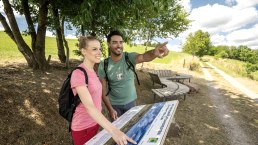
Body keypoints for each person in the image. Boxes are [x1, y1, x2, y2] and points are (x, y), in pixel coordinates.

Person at [70, 36, 136, 145]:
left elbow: (97, 97)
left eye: (100, 49)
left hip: (94, 123)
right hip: (83, 128)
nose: (99, 52)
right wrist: (114, 131)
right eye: (94, 49)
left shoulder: (92, 71)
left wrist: (110, 109)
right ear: (84, 51)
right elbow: (89, 107)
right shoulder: (78, 74)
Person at [98, 30, 169, 121]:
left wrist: (154, 53)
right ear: (108, 44)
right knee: (116, 131)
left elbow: (143, 57)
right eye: (115, 42)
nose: (119, 45)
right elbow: (103, 91)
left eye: (121, 42)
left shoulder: (129, 57)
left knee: (131, 128)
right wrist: (110, 109)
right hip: (114, 105)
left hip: (131, 103)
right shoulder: (104, 64)